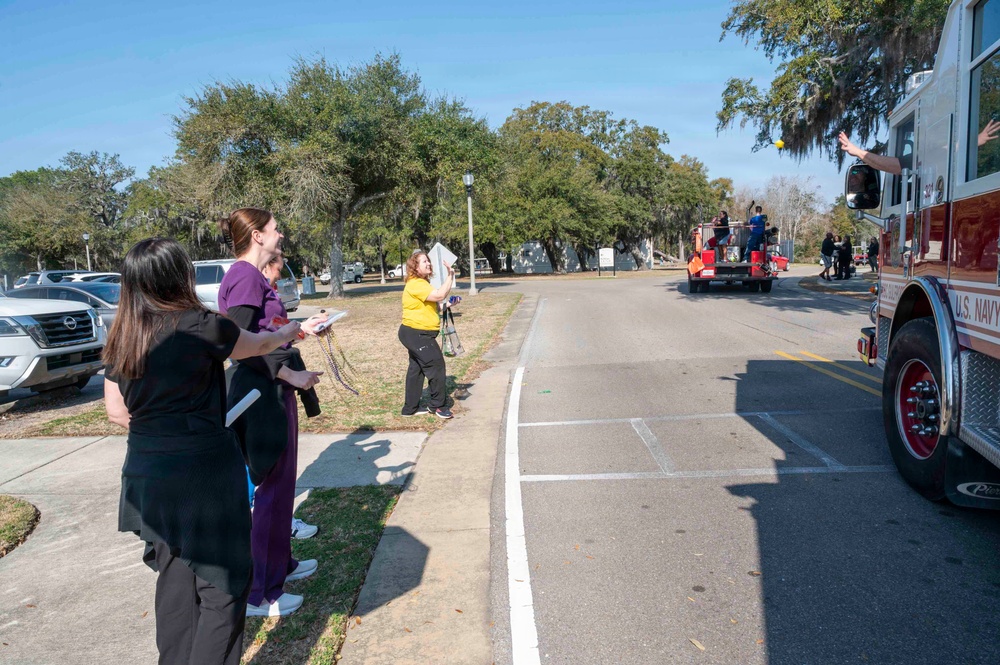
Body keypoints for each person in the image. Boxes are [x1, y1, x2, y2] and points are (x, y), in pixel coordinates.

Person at [103, 238, 302, 664]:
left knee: (174, 584)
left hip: (146, 473)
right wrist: (286, 331)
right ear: (181, 276)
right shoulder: (202, 325)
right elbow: (259, 345)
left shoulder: (123, 334)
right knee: (223, 587)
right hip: (204, 476)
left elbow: (117, 412)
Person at [217, 208, 328, 618]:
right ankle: (259, 593)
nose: (280, 234)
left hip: (275, 389)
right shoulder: (244, 277)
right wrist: (287, 374)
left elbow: (268, 328)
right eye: (274, 229)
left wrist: (302, 327)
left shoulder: (255, 278)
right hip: (260, 394)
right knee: (270, 493)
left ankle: (279, 566)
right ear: (258, 236)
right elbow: (237, 346)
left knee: (282, 489)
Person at [399, 250, 454, 419]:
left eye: (428, 261)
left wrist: (449, 305)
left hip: (416, 333)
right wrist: (450, 275)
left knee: (416, 369)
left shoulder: (422, 284)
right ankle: (437, 406)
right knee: (436, 366)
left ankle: (410, 408)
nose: (428, 264)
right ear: (415, 266)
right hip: (416, 334)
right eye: (424, 262)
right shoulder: (415, 283)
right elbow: (440, 294)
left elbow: (435, 306)